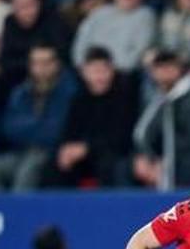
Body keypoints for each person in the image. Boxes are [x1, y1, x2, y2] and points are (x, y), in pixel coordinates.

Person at [0, 45, 78, 191]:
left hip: (50, 153)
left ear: (56, 64)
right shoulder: (20, 92)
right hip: (20, 152)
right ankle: (3, 211)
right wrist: (38, 125)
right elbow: (8, 128)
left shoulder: (69, 91)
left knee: (28, 170)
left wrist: (29, 127)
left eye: (46, 62)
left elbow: (57, 130)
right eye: (36, 63)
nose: (41, 68)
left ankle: (19, 213)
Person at [47, 46, 139, 188]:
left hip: (111, 155)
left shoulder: (123, 98)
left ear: (112, 71)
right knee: (56, 164)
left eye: (104, 71)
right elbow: (68, 132)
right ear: (84, 72)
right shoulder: (79, 100)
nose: (99, 77)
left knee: (112, 165)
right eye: (94, 71)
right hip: (84, 157)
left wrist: (87, 148)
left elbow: (121, 138)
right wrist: (66, 149)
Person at [132, 51, 190, 188]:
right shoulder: (154, 98)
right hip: (162, 160)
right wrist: (146, 157)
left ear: (179, 69)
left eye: (170, 67)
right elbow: (143, 133)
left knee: (187, 165)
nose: (165, 72)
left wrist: (164, 161)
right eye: (160, 68)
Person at [71, 0, 156, 72]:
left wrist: (105, 71)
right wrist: (86, 68)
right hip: (89, 73)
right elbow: (80, 46)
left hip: (121, 75)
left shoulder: (146, 17)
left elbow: (134, 58)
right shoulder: (98, 13)